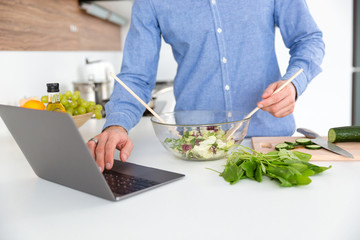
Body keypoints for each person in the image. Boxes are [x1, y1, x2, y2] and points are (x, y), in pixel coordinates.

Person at [87, 0, 325, 172]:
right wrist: (117, 124)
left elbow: (307, 38)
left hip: (268, 142)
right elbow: (136, 76)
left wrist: (293, 85)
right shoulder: (150, 2)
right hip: (194, 148)